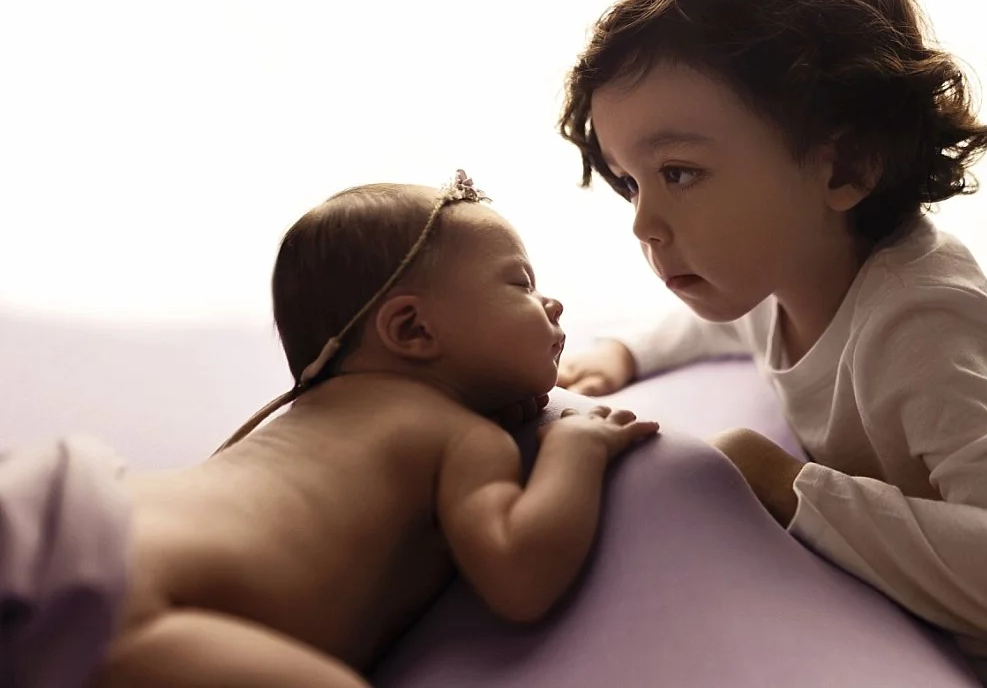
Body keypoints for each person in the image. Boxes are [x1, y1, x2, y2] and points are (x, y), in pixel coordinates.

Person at [555, 0, 987, 688]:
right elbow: (728, 331)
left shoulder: (923, 323)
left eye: (679, 173)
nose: (643, 222)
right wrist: (624, 353)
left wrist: (787, 484)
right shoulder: (784, 272)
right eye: (630, 182)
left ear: (845, 168)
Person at [90, 172, 659, 687]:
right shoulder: (459, 436)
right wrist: (574, 448)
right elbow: (521, 575)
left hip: (83, 522)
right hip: (146, 606)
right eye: (521, 285)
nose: (552, 303)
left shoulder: (305, 420)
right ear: (412, 328)